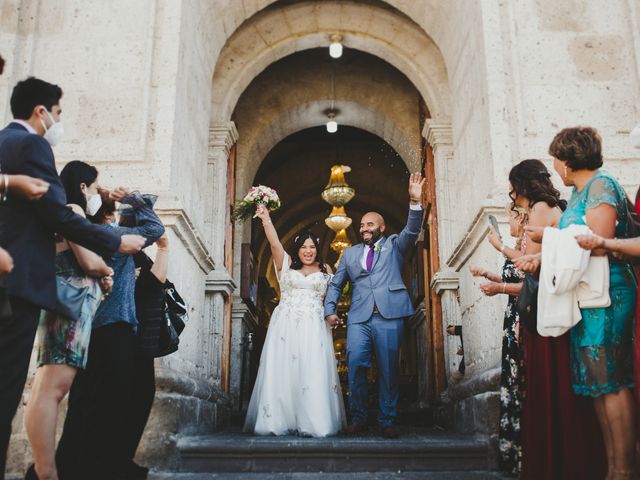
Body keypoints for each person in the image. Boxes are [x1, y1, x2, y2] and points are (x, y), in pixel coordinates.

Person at [0, 77, 145, 479]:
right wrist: (115, 244)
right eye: (59, 112)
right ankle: (47, 473)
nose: (59, 121)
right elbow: (56, 215)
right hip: (27, 281)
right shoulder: (31, 144)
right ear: (41, 111)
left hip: (20, 276)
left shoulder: (4, 142)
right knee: (26, 388)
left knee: (22, 386)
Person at [536, 127, 635, 479]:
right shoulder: (578, 192)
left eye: (555, 158)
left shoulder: (601, 185)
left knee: (611, 379)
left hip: (610, 292)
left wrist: (551, 239)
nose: (554, 166)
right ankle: (611, 467)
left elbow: (599, 240)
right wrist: (542, 247)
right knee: (595, 381)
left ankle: (625, 470)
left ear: (567, 160)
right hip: (584, 294)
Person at [509, 159, 606, 480]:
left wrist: (501, 276)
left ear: (522, 186)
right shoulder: (555, 205)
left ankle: (558, 464)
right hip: (555, 298)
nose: (511, 195)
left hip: (546, 303)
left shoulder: (539, 209)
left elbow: (535, 263)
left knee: (550, 384)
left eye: (513, 188)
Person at [24, 161, 114, 480]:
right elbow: (88, 261)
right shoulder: (74, 210)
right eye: (94, 187)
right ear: (81, 187)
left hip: (65, 300)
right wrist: (107, 271)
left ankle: (42, 470)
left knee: (47, 386)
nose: (94, 193)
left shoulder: (60, 212)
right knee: (52, 388)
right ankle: (46, 472)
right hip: (71, 305)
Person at [324, 173, 424, 439]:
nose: (365, 228)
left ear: (381, 228)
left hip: (389, 315)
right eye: (362, 225)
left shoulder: (394, 245)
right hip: (358, 317)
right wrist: (330, 310)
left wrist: (415, 203)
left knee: (389, 368)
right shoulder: (350, 253)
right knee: (356, 364)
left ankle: (387, 419)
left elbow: (412, 231)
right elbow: (335, 283)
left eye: (370, 224)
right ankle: (358, 418)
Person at [244, 205, 346, 437]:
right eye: (304, 247)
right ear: (297, 249)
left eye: (312, 247)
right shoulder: (286, 264)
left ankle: (313, 422)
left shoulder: (325, 269)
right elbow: (274, 244)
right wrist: (266, 219)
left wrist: (332, 314)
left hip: (314, 325)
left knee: (312, 369)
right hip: (285, 325)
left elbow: (333, 296)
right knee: (283, 369)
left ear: (317, 249)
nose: (308, 251)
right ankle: (276, 421)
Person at [469, 204, 526, 477]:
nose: (509, 222)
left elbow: (530, 284)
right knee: (512, 383)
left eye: (511, 216)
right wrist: (490, 276)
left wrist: (500, 286)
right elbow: (511, 278)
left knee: (522, 382)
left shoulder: (530, 242)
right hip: (512, 316)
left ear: (521, 216)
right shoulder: (519, 243)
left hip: (522, 317)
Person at [122, 233, 171, 480]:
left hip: (141, 338)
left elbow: (154, 282)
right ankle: (117, 459)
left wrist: (163, 249)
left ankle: (123, 458)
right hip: (124, 334)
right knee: (131, 396)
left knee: (142, 394)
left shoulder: (135, 253)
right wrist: (163, 248)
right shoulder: (116, 246)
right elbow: (154, 282)